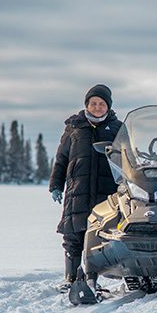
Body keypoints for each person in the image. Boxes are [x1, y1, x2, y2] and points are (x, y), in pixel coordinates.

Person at [48, 84, 123, 290]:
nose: (97, 107)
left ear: (108, 106)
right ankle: (70, 279)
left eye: (101, 104)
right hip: (77, 190)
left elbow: (128, 159)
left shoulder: (118, 128)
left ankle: (91, 280)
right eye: (93, 103)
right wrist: (56, 184)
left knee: (98, 236)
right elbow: (62, 159)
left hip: (106, 192)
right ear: (87, 105)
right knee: (73, 235)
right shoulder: (74, 127)